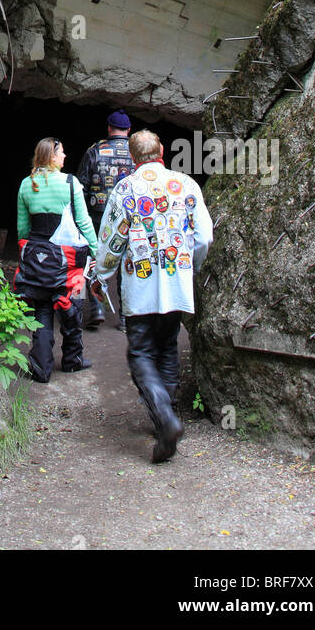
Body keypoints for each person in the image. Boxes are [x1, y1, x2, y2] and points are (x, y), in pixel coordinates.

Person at [92, 129, 213, 463]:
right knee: (168, 348)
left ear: (132, 157)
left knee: (141, 353)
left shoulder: (125, 188)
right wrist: (192, 265)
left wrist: (101, 277)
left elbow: (112, 241)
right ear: (161, 150)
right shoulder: (186, 185)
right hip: (176, 284)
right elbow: (204, 237)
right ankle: (168, 419)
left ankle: (164, 418)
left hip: (141, 287)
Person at [13, 137, 98, 383]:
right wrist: (95, 249)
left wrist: (29, 256)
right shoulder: (71, 183)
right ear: (52, 156)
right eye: (62, 153)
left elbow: (22, 228)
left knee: (41, 308)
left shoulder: (25, 184)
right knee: (74, 305)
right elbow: (83, 222)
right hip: (70, 260)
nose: (65, 156)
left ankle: (41, 367)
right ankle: (73, 360)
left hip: (37, 257)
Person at [77, 111, 132, 329]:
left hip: (98, 214)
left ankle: (97, 307)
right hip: (129, 217)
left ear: (109, 128)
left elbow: (82, 185)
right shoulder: (137, 151)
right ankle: (126, 317)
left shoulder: (94, 150)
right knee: (128, 263)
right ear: (129, 130)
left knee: (95, 257)